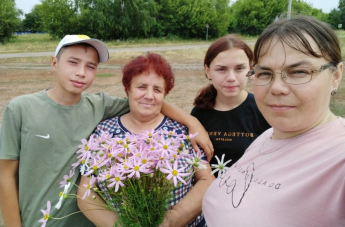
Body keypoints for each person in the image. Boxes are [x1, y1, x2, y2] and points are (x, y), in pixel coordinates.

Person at [0, 35, 213, 227]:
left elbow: (150, 103)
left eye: (90, 66)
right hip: (40, 219)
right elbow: (6, 175)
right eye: (73, 62)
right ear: (54, 63)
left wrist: (191, 122)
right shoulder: (102, 126)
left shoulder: (179, 131)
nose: (81, 72)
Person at [202, 15, 345, 226]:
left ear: (335, 76)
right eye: (265, 73)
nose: (276, 87)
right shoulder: (269, 135)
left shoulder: (338, 159)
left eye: (298, 72)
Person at [77, 52, 215, 227]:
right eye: (141, 87)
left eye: (157, 89)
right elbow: (85, 193)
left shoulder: (181, 132)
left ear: (165, 94)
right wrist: (121, 225)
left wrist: (173, 219)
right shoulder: (105, 131)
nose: (149, 96)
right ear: (128, 89)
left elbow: (206, 179)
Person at [191, 34, 270, 169]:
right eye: (221, 69)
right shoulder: (199, 113)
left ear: (250, 69)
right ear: (208, 71)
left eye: (239, 68)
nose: (231, 78)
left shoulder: (263, 110)